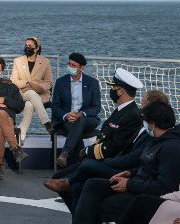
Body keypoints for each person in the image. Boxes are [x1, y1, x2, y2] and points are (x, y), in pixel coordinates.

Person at [45, 100, 180, 224]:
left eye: (146, 121)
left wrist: (129, 184)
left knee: (95, 207)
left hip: (146, 199)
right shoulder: (158, 141)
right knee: (92, 184)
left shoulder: (173, 149)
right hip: (136, 186)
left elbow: (164, 187)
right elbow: (146, 167)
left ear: (153, 123)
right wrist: (128, 174)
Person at [43, 70, 146, 210]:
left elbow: (115, 147)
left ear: (120, 91)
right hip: (101, 157)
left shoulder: (132, 115)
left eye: (113, 88)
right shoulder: (120, 111)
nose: (111, 91)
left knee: (76, 183)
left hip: (112, 163)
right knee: (58, 175)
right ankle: (76, 223)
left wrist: (88, 151)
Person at [50, 53, 101, 167]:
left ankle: (65, 153)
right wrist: (67, 115)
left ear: (81, 67)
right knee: (77, 126)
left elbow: (96, 107)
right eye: (69, 64)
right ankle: (82, 165)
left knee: (80, 121)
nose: (70, 67)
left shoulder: (92, 82)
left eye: (74, 65)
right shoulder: (60, 82)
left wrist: (81, 114)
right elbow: (55, 106)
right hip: (66, 120)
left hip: (87, 119)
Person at [10, 37, 54, 141]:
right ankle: (46, 122)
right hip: (22, 93)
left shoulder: (45, 62)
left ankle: (21, 135)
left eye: (30, 46)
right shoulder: (18, 61)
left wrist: (36, 87)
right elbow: (14, 80)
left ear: (36, 48)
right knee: (30, 92)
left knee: (30, 105)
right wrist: (26, 83)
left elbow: (49, 82)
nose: (27, 47)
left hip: (40, 94)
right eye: (26, 45)